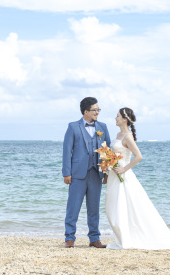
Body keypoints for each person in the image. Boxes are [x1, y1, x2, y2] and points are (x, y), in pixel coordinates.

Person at [104, 107, 170, 250]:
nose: (115, 118)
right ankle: (122, 237)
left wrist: (124, 168)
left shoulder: (127, 137)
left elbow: (138, 156)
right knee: (113, 206)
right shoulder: (118, 134)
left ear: (124, 119)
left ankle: (127, 239)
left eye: (117, 116)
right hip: (113, 174)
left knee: (122, 207)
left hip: (122, 174)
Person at [62, 97, 110, 248]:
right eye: (95, 110)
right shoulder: (73, 127)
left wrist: (106, 172)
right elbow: (66, 151)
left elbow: (107, 151)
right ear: (86, 111)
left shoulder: (103, 126)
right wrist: (66, 173)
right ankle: (69, 238)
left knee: (94, 208)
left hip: (96, 173)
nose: (97, 112)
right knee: (73, 207)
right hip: (77, 173)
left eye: (98, 110)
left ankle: (94, 238)